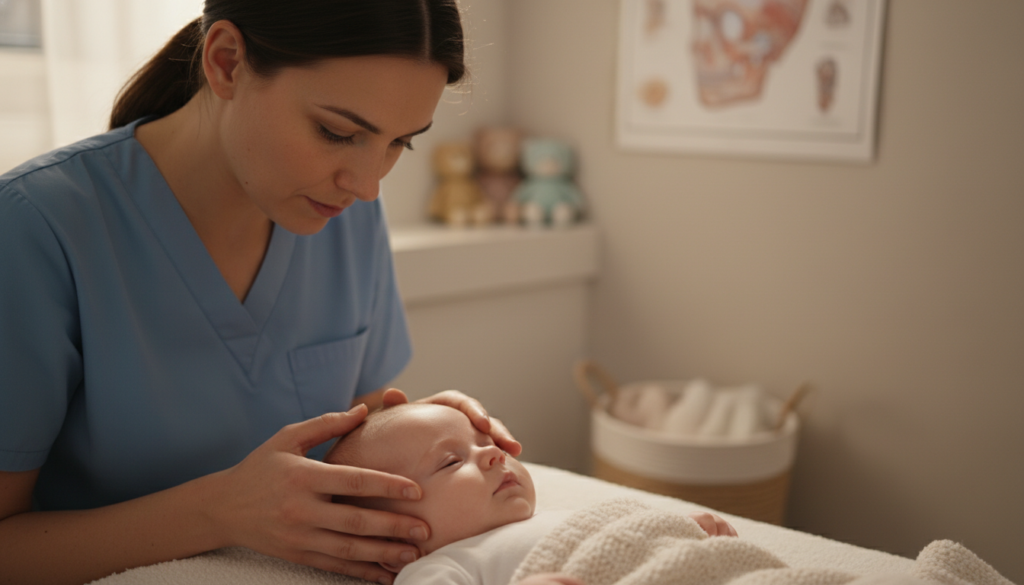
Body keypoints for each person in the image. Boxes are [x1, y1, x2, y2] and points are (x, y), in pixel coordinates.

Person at [0, 3, 520, 584]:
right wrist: (219, 512)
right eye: (337, 132)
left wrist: (426, 432)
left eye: (402, 142)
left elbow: (356, 423)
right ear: (226, 62)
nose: (369, 185)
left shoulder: (343, 214)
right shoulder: (35, 230)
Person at [324, 402, 739, 585]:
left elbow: (626, 538)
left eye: (485, 442)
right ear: (395, 535)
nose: (492, 454)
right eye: (451, 462)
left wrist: (671, 529)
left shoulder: (554, 520)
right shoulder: (445, 565)